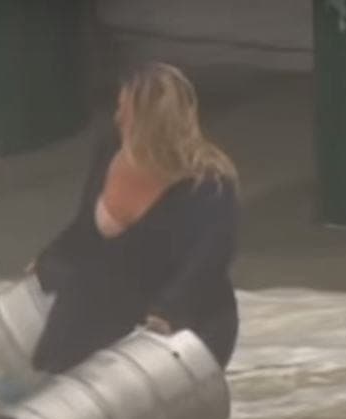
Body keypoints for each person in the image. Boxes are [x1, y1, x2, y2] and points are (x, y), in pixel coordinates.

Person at [30, 62, 240, 374]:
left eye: (125, 111)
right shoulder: (110, 150)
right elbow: (85, 229)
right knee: (51, 357)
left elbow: (206, 263)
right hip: (115, 300)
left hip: (189, 321)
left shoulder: (209, 185)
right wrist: (51, 258)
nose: (117, 118)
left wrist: (167, 311)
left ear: (150, 122)